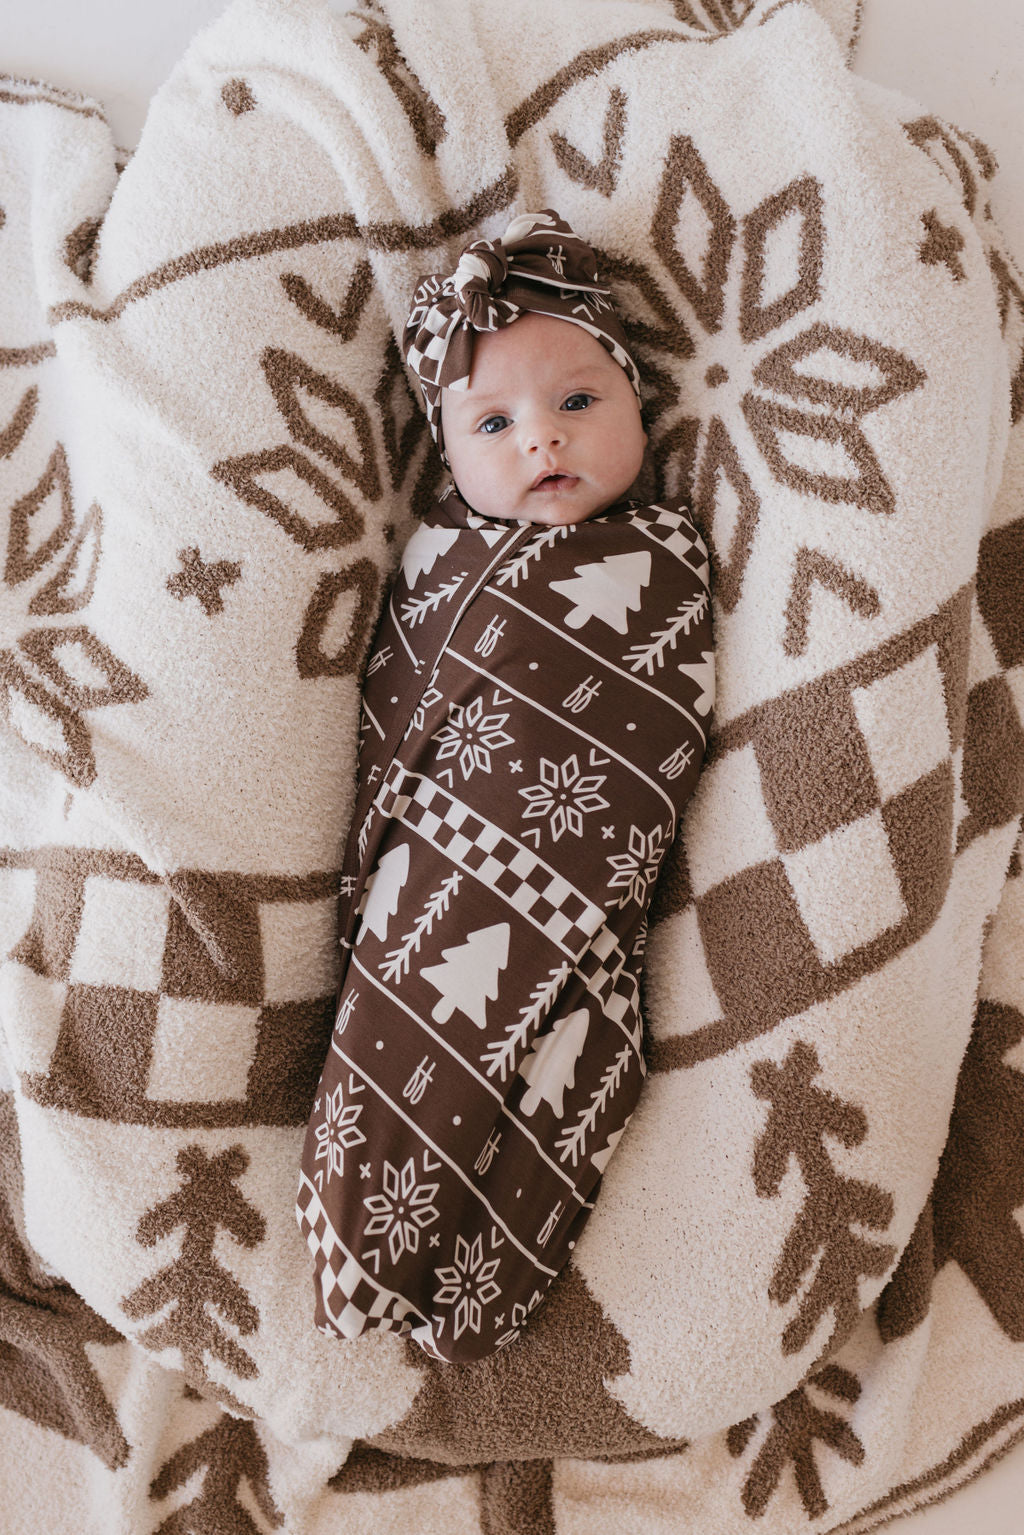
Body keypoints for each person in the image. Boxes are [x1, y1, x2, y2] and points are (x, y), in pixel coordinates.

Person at [297, 210, 714, 1361]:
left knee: (557, 1049)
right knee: (409, 1029)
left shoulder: (664, 557)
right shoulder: (440, 557)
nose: (542, 440)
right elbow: (396, 702)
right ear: (448, 453)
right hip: (434, 864)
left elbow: (664, 721)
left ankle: (476, 1277)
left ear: (639, 406)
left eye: (578, 401)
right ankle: (363, 1232)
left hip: (580, 889)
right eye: (495, 421)